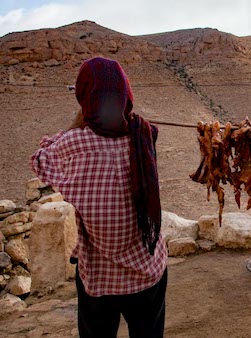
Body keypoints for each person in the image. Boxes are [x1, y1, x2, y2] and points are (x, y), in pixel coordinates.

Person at [31, 57, 168, 338]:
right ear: (126, 94)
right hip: (148, 271)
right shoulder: (143, 136)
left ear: (85, 96)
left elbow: (40, 160)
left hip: (98, 279)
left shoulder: (74, 145)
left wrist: (78, 123)